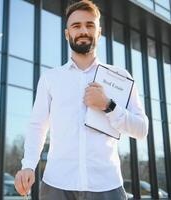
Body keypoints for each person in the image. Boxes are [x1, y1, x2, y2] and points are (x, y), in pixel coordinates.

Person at [14, 1, 149, 200]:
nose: (83, 30)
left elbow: (141, 129)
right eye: (76, 26)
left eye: (90, 25)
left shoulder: (120, 76)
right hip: (56, 186)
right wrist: (28, 166)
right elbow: (37, 126)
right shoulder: (50, 78)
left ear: (99, 33)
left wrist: (108, 105)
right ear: (67, 33)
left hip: (107, 185)